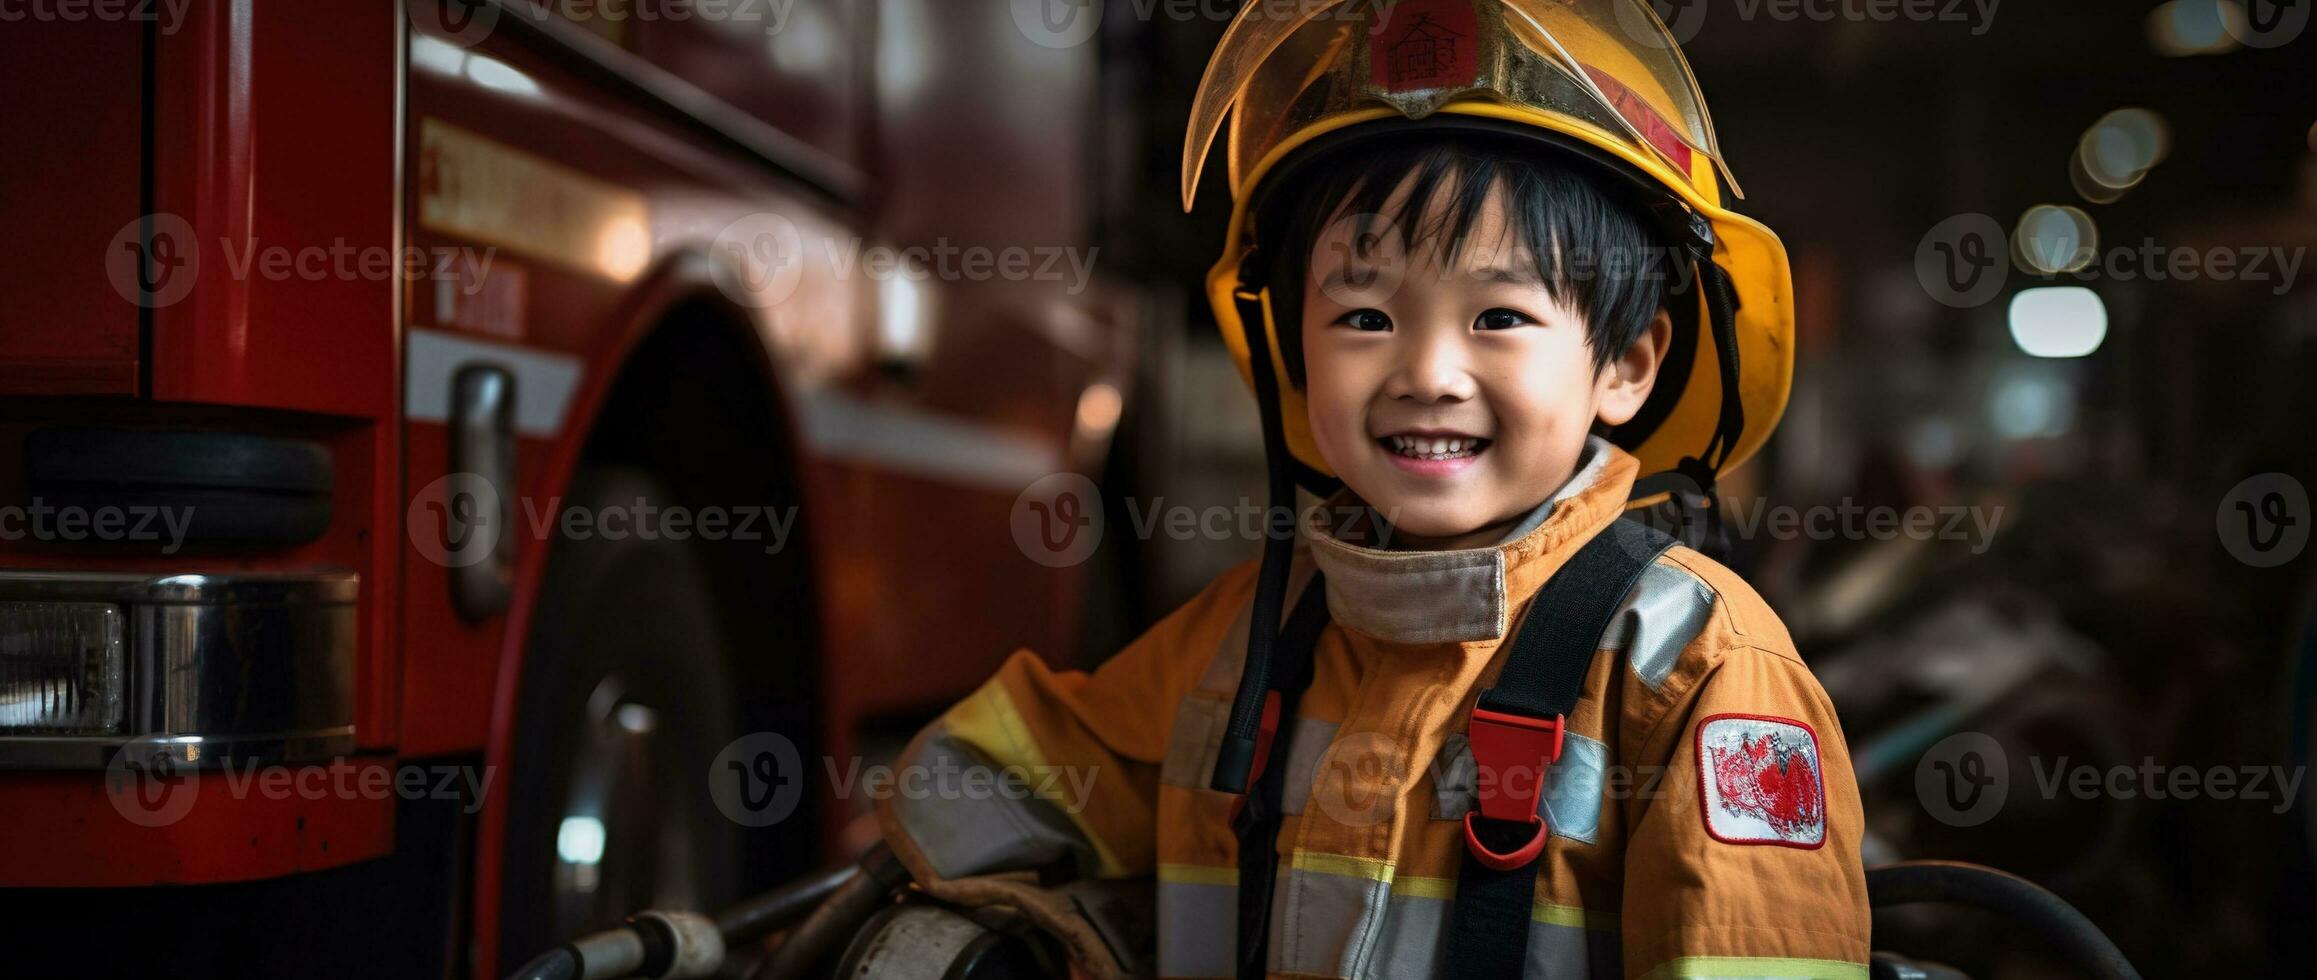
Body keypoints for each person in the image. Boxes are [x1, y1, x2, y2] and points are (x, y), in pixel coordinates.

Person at [873, 1, 1869, 976]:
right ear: (1289, 352)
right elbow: (1035, 767)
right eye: (1362, 317)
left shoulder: (1697, 669)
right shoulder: (1239, 643)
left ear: (1627, 364)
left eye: (1500, 316)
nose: (1427, 371)